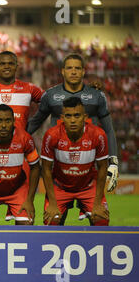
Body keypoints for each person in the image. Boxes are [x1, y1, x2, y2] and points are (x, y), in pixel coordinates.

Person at [27, 53, 118, 193]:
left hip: (89, 165)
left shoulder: (97, 96)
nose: (74, 71)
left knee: (98, 213)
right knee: (55, 214)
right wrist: (13, 140)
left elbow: (109, 129)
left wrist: (113, 161)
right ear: (62, 71)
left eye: (77, 68)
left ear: (83, 71)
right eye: (69, 68)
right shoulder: (50, 95)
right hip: (59, 165)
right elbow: (35, 122)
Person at [40, 97, 109, 226]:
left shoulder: (98, 135)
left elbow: (103, 167)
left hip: (88, 186)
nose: (72, 120)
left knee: (101, 219)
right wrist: (53, 204)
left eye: (77, 115)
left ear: (85, 117)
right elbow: (46, 169)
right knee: (51, 220)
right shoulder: (51, 135)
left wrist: (98, 202)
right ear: (62, 117)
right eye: (68, 116)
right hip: (60, 187)